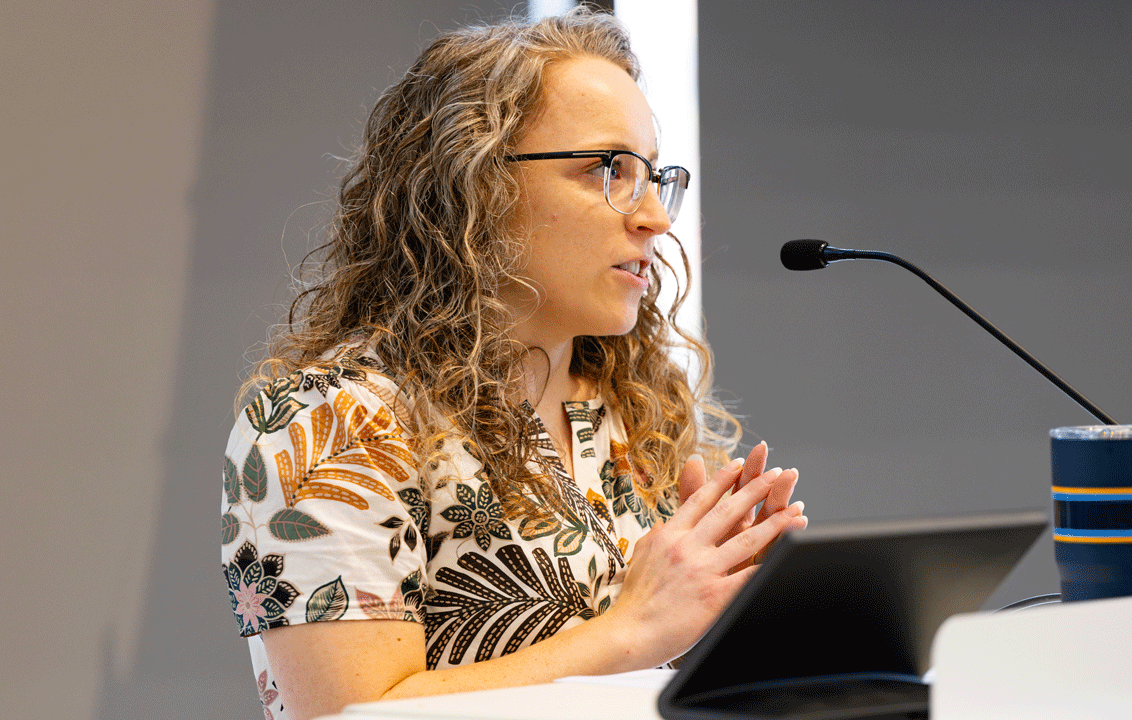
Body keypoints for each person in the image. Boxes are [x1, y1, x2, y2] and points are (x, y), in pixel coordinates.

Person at [219, 9, 807, 720]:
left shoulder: (639, 412)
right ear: (475, 185)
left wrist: (746, 617)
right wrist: (636, 630)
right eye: (608, 169)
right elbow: (348, 714)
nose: (655, 215)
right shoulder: (331, 420)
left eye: (656, 176)